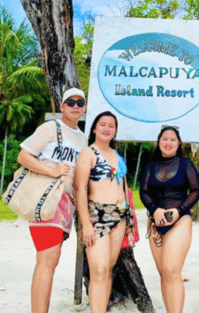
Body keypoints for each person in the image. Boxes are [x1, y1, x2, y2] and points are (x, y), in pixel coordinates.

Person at [16, 88, 88, 313]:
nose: (75, 106)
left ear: (84, 107)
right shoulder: (50, 128)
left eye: (80, 102)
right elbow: (23, 156)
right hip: (48, 198)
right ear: (62, 106)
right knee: (47, 260)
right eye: (70, 102)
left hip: (67, 203)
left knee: (51, 259)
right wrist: (52, 170)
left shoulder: (83, 138)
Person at [74, 111, 136, 313]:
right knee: (98, 270)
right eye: (103, 124)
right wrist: (86, 225)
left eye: (111, 126)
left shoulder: (117, 154)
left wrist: (129, 219)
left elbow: (124, 186)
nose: (107, 128)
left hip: (119, 216)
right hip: (97, 215)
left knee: (108, 268)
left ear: (116, 131)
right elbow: (80, 189)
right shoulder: (88, 153)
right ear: (94, 129)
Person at [139, 125, 199, 313]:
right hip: (155, 222)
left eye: (172, 139)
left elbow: (196, 191)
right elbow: (144, 192)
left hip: (179, 221)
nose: (168, 142)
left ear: (179, 143)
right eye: (164, 138)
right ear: (159, 142)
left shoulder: (185, 164)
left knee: (172, 271)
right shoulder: (150, 166)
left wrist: (179, 210)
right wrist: (154, 209)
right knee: (164, 274)